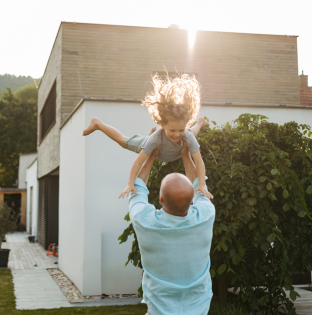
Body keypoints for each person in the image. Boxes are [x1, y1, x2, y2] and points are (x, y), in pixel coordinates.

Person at [83, 73, 213, 199]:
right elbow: (138, 162)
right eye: (172, 130)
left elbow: (199, 161)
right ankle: (98, 124)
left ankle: (199, 122)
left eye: (181, 129)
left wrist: (201, 185)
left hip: (182, 146)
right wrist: (130, 184)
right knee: (123, 141)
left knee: (191, 134)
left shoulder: (185, 135)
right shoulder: (155, 139)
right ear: (162, 124)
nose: (177, 134)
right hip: (153, 145)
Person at [129, 142, 215, 315]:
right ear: (192, 200)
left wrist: (151, 155)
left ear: (160, 199)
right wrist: (186, 155)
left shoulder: (144, 220)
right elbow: (200, 186)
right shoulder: (206, 215)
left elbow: (136, 187)